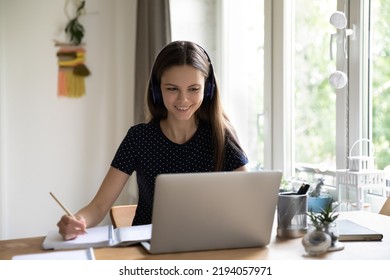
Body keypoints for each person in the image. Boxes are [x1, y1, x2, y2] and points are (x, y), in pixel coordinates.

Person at [56, 41, 248, 240]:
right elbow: (98, 206)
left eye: (193, 89)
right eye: (172, 89)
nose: (183, 100)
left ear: (207, 90)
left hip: (206, 245)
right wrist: (77, 220)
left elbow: (250, 199)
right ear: (157, 90)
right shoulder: (139, 138)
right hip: (148, 251)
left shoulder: (221, 135)